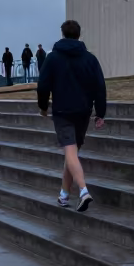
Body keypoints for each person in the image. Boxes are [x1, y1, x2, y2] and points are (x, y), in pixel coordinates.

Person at [37, 20, 107, 212]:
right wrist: (100, 112)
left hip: (62, 111)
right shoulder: (90, 59)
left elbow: (43, 85)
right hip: (83, 111)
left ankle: (83, 190)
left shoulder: (52, 58)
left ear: (62, 34)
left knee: (70, 151)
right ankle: (64, 195)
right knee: (72, 153)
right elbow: (100, 87)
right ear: (79, 35)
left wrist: (43, 107)